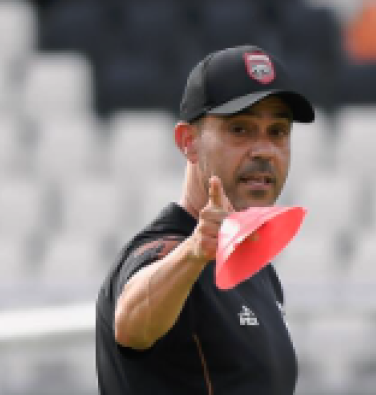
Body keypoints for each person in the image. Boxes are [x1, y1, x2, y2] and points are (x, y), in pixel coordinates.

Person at [96, 44, 315, 395]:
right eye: (240, 129)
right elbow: (131, 325)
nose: (264, 150)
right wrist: (195, 252)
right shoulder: (169, 249)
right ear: (188, 142)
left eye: (278, 131)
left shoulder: (259, 271)